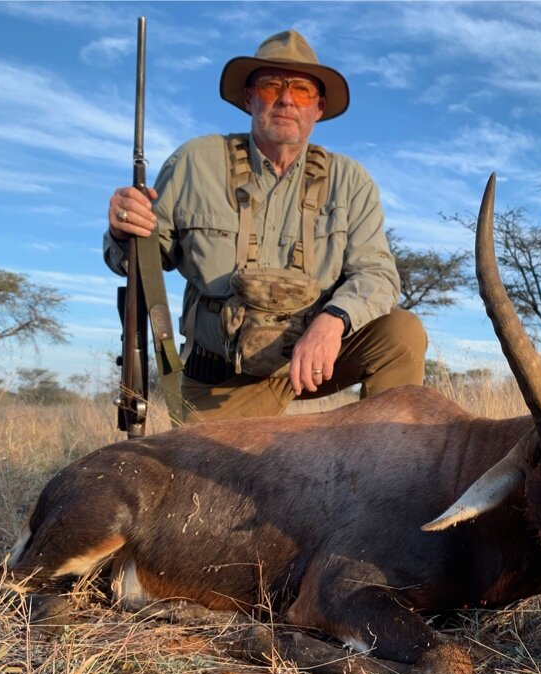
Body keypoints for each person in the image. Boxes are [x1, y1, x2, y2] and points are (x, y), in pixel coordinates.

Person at [104, 30, 426, 421]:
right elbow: (143, 262)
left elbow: (378, 274)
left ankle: (385, 462)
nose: (287, 99)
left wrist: (333, 321)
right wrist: (125, 230)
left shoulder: (351, 180)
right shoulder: (194, 162)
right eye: (272, 85)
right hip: (223, 379)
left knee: (401, 333)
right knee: (201, 480)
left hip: (314, 359)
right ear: (249, 98)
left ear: (318, 108)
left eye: (302, 91)